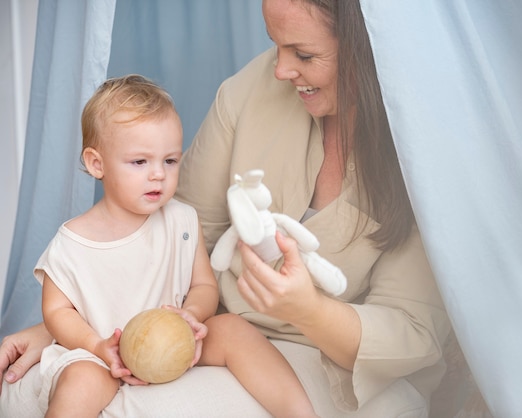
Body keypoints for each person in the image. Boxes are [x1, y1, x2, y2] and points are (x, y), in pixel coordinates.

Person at [0, 1, 451, 417]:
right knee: (22, 391)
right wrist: (76, 331)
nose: (280, 70)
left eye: (304, 54)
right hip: (206, 328)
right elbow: (173, 242)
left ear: (368, 48)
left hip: (330, 356)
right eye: (275, 45)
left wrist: (307, 309)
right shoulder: (250, 90)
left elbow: (414, 333)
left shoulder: (427, 149)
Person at [32, 74, 317, 418]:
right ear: (97, 164)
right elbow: (57, 312)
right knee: (80, 381)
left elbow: (203, 285)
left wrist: (191, 316)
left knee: (234, 330)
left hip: (175, 343)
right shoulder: (72, 242)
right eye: (140, 162)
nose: (158, 174)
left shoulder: (181, 220)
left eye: (170, 160)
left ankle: (301, 413)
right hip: (103, 353)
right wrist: (96, 345)